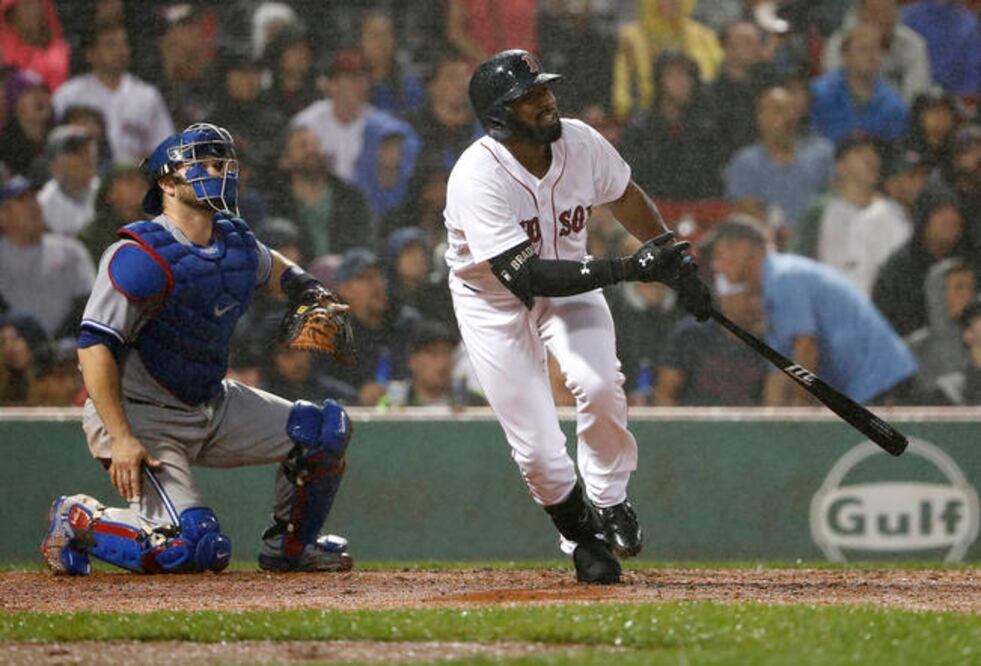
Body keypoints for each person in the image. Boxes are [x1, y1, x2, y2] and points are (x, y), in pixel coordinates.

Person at [444, 50, 712, 584]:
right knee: (539, 453)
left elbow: (625, 196)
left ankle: (609, 498)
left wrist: (674, 262)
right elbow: (525, 276)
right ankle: (582, 536)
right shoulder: (476, 175)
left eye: (543, 88)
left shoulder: (581, 142)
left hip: (572, 281)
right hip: (492, 299)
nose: (546, 100)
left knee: (599, 383)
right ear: (499, 117)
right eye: (528, 97)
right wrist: (631, 268)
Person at [40, 123, 355, 577]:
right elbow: (93, 348)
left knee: (323, 431)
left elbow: (274, 267)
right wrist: (121, 436)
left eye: (224, 163)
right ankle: (77, 521)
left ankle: (290, 549)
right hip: (141, 414)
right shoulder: (139, 254)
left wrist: (310, 290)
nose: (220, 172)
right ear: (167, 182)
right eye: (205, 164)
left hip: (210, 400)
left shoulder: (234, 241)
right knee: (192, 547)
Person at [708, 217, 918, 406]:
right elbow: (779, 372)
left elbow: (806, 349)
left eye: (720, 255)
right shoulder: (772, 288)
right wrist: (769, 422)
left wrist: (800, 414)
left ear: (744, 248)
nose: (716, 266)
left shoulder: (784, 278)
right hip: (865, 387)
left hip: (883, 382)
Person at [789, 135, 911, 296]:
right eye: (859, 152)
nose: (870, 159)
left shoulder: (894, 213)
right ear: (840, 166)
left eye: (874, 153)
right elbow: (797, 262)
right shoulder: (819, 211)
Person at [52, 22, 174, 162]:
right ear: (90, 54)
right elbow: (54, 143)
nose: (120, 51)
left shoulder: (147, 95)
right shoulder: (69, 95)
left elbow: (166, 147)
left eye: (124, 44)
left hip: (136, 172)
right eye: (111, 45)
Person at [724, 85, 834, 237]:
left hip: (821, 238)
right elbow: (750, 215)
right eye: (778, 110)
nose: (788, 116)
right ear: (761, 117)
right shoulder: (745, 163)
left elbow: (837, 199)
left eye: (792, 110)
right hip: (770, 242)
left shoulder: (822, 153)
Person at [872, 181, 975, 337]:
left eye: (955, 211)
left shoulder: (971, 259)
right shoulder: (898, 271)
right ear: (923, 218)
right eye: (941, 211)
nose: (950, 218)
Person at [618, 50, 723, 200]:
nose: (683, 82)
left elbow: (711, 183)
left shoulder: (704, 130)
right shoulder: (639, 130)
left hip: (697, 207)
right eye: (674, 75)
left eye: (687, 76)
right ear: (659, 81)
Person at [0, 174, 94, 339]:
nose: (33, 205)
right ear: (3, 215)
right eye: (22, 200)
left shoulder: (70, 250)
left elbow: (90, 305)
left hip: (70, 345)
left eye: (34, 198)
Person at [809, 23, 908, 143]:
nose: (872, 56)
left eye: (877, 49)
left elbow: (894, 148)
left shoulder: (893, 106)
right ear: (845, 56)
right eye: (863, 49)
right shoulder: (817, 94)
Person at [822, 0, 933, 106]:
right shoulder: (839, 44)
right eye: (875, 11)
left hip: (899, 114)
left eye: (888, 11)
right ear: (861, 14)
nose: (882, 18)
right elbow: (834, 90)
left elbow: (917, 95)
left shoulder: (913, 44)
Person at [905, 258, 976, 403]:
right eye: (959, 287)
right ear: (937, 292)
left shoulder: (977, 342)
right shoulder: (914, 349)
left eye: (970, 287)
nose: (968, 295)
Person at [37, 125, 101, 237]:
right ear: (54, 165)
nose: (85, 157)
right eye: (75, 152)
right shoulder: (43, 205)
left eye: (88, 149)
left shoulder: (109, 193)